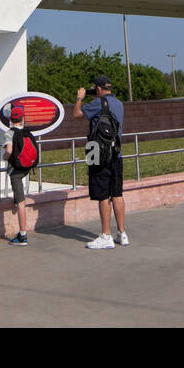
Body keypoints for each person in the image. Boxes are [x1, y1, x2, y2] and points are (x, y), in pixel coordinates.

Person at [75, 75, 127, 249]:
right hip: (117, 154)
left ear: (97, 89)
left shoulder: (98, 103)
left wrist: (80, 97)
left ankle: (106, 235)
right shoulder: (119, 104)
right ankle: (122, 233)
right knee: (117, 194)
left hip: (98, 154)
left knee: (103, 195)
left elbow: (77, 114)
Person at [1, 105, 38, 246]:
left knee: (21, 203)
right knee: (19, 196)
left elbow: (9, 151)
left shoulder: (9, 133)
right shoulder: (26, 132)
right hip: (26, 167)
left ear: (11, 119)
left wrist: (5, 157)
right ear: (22, 118)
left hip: (15, 170)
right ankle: (17, 199)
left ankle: (22, 235)